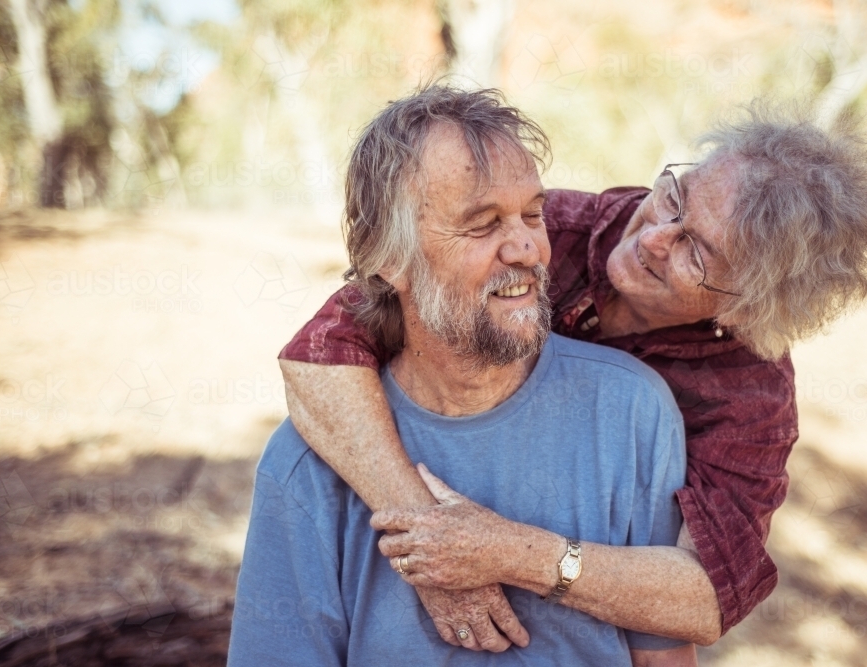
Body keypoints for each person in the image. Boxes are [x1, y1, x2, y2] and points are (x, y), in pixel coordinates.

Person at [278, 86, 867, 648]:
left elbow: (706, 598)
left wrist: (509, 555)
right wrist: (430, 544)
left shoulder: (751, 393)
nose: (654, 236)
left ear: (752, 308)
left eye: (698, 252)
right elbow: (319, 353)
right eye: (673, 201)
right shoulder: (553, 228)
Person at [229, 85, 699, 666]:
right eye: (482, 225)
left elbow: (664, 653)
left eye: (533, 214)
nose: (526, 248)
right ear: (389, 259)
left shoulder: (634, 412)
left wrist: (515, 555)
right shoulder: (306, 464)